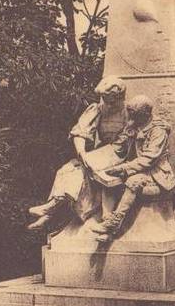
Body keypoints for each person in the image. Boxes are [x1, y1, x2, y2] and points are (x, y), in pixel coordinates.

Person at [27, 76, 127, 230]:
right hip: (101, 153)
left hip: (120, 154)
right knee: (69, 169)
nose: (105, 102)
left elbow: (129, 143)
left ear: (118, 96)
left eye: (109, 99)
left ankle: (49, 211)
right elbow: (80, 131)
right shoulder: (98, 108)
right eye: (104, 98)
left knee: (90, 170)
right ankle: (50, 209)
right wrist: (82, 152)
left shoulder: (128, 112)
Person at [90, 94, 175, 241]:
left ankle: (113, 224)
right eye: (130, 113)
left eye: (134, 114)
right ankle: (107, 225)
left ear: (145, 114)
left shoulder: (158, 130)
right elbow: (118, 146)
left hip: (155, 173)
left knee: (133, 182)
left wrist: (123, 168)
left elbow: (149, 159)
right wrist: (97, 159)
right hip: (133, 168)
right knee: (108, 178)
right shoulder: (133, 125)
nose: (130, 116)